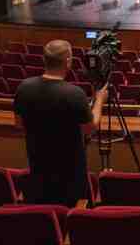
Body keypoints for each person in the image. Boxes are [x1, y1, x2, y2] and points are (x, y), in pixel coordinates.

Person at [14, 40, 108, 206]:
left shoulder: (24, 88)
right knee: (73, 215)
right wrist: (99, 99)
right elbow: (90, 127)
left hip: (39, 170)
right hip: (71, 177)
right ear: (68, 62)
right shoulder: (74, 94)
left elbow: (19, 124)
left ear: (45, 60)